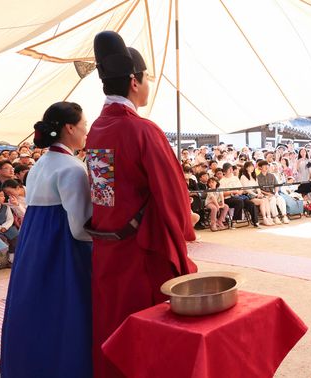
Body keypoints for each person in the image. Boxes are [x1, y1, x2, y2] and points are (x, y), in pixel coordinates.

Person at [85, 31, 197, 377]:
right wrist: (184, 227)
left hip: (107, 250)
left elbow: (104, 194)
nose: (148, 84)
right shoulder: (143, 130)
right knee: (147, 329)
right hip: (141, 252)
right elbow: (172, 193)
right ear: (134, 82)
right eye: (147, 78)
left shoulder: (97, 129)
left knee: (112, 323)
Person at [0, 101, 93, 377]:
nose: (86, 131)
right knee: (67, 314)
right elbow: (79, 228)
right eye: (84, 126)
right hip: (63, 249)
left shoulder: (40, 165)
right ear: (70, 128)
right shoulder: (73, 168)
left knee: (36, 311)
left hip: (35, 245)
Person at [220, 162, 260, 227]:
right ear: (225, 171)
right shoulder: (222, 181)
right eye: (229, 169)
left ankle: (255, 221)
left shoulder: (235, 178)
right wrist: (232, 192)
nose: (231, 170)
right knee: (239, 201)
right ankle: (234, 220)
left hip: (239, 196)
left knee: (250, 203)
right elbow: (222, 193)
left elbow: (241, 188)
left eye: (231, 169)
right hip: (228, 198)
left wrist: (239, 192)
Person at [239, 161, 274, 226]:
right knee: (262, 201)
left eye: (252, 166)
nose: (252, 168)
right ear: (246, 168)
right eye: (250, 167)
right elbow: (246, 189)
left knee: (266, 199)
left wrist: (259, 193)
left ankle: (269, 217)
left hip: (256, 194)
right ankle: (264, 218)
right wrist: (256, 195)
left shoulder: (254, 176)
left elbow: (257, 187)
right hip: (249, 195)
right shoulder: (243, 177)